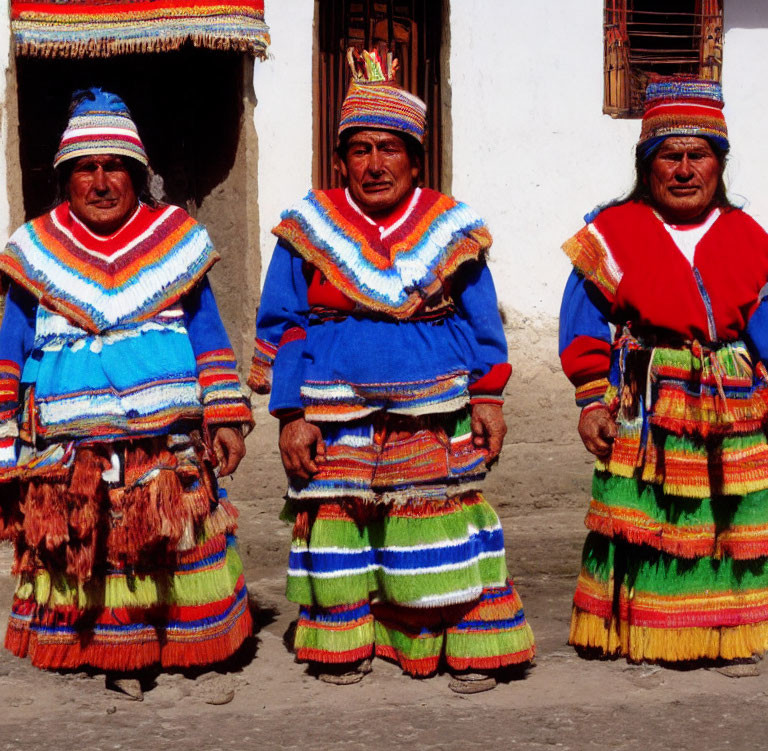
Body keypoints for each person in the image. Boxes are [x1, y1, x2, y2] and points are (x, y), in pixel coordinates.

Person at [249, 48, 534, 693]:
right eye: (360, 149)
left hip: (432, 407)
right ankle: (345, 640)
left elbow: (482, 322)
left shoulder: (450, 227)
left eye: (389, 148)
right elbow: (284, 324)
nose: (374, 164)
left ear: (414, 156)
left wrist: (488, 398)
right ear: (340, 158)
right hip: (334, 405)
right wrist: (291, 415)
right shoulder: (308, 228)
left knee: (435, 520)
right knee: (341, 523)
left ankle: (454, 640)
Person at [0, 89, 254, 698]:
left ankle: (191, 647)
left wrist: (223, 413)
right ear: (66, 178)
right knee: (99, 545)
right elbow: (10, 346)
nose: (101, 181)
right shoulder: (35, 248)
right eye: (86, 168)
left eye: (114, 166)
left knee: (174, 537)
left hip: (162, 433)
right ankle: (119, 655)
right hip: (73, 440)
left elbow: (208, 333)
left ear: (137, 173)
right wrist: (6, 431)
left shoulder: (175, 238)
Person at [560, 78, 768, 669]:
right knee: (646, 519)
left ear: (718, 164)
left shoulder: (749, 237)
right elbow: (582, 321)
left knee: (726, 518)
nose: (683, 170)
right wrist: (591, 400)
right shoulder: (612, 231)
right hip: (646, 398)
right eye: (668, 156)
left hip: (731, 400)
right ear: (646, 164)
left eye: (697, 155)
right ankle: (646, 633)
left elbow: (765, 319)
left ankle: (726, 631)